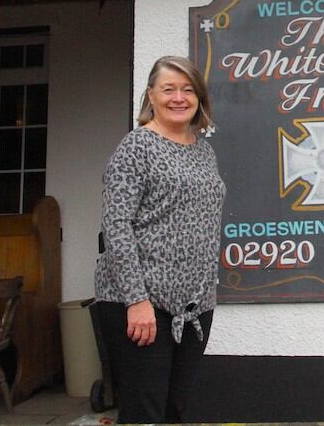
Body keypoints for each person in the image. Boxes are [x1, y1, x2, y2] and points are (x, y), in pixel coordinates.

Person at [94, 55, 226, 423]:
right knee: (144, 412)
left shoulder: (203, 150)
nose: (179, 97)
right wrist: (137, 300)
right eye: (169, 89)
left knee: (175, 410)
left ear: (199, 98)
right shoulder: (136, 148)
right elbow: (116, 226)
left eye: (188, 90)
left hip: (194, 307)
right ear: (151, 95)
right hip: (140, 304)